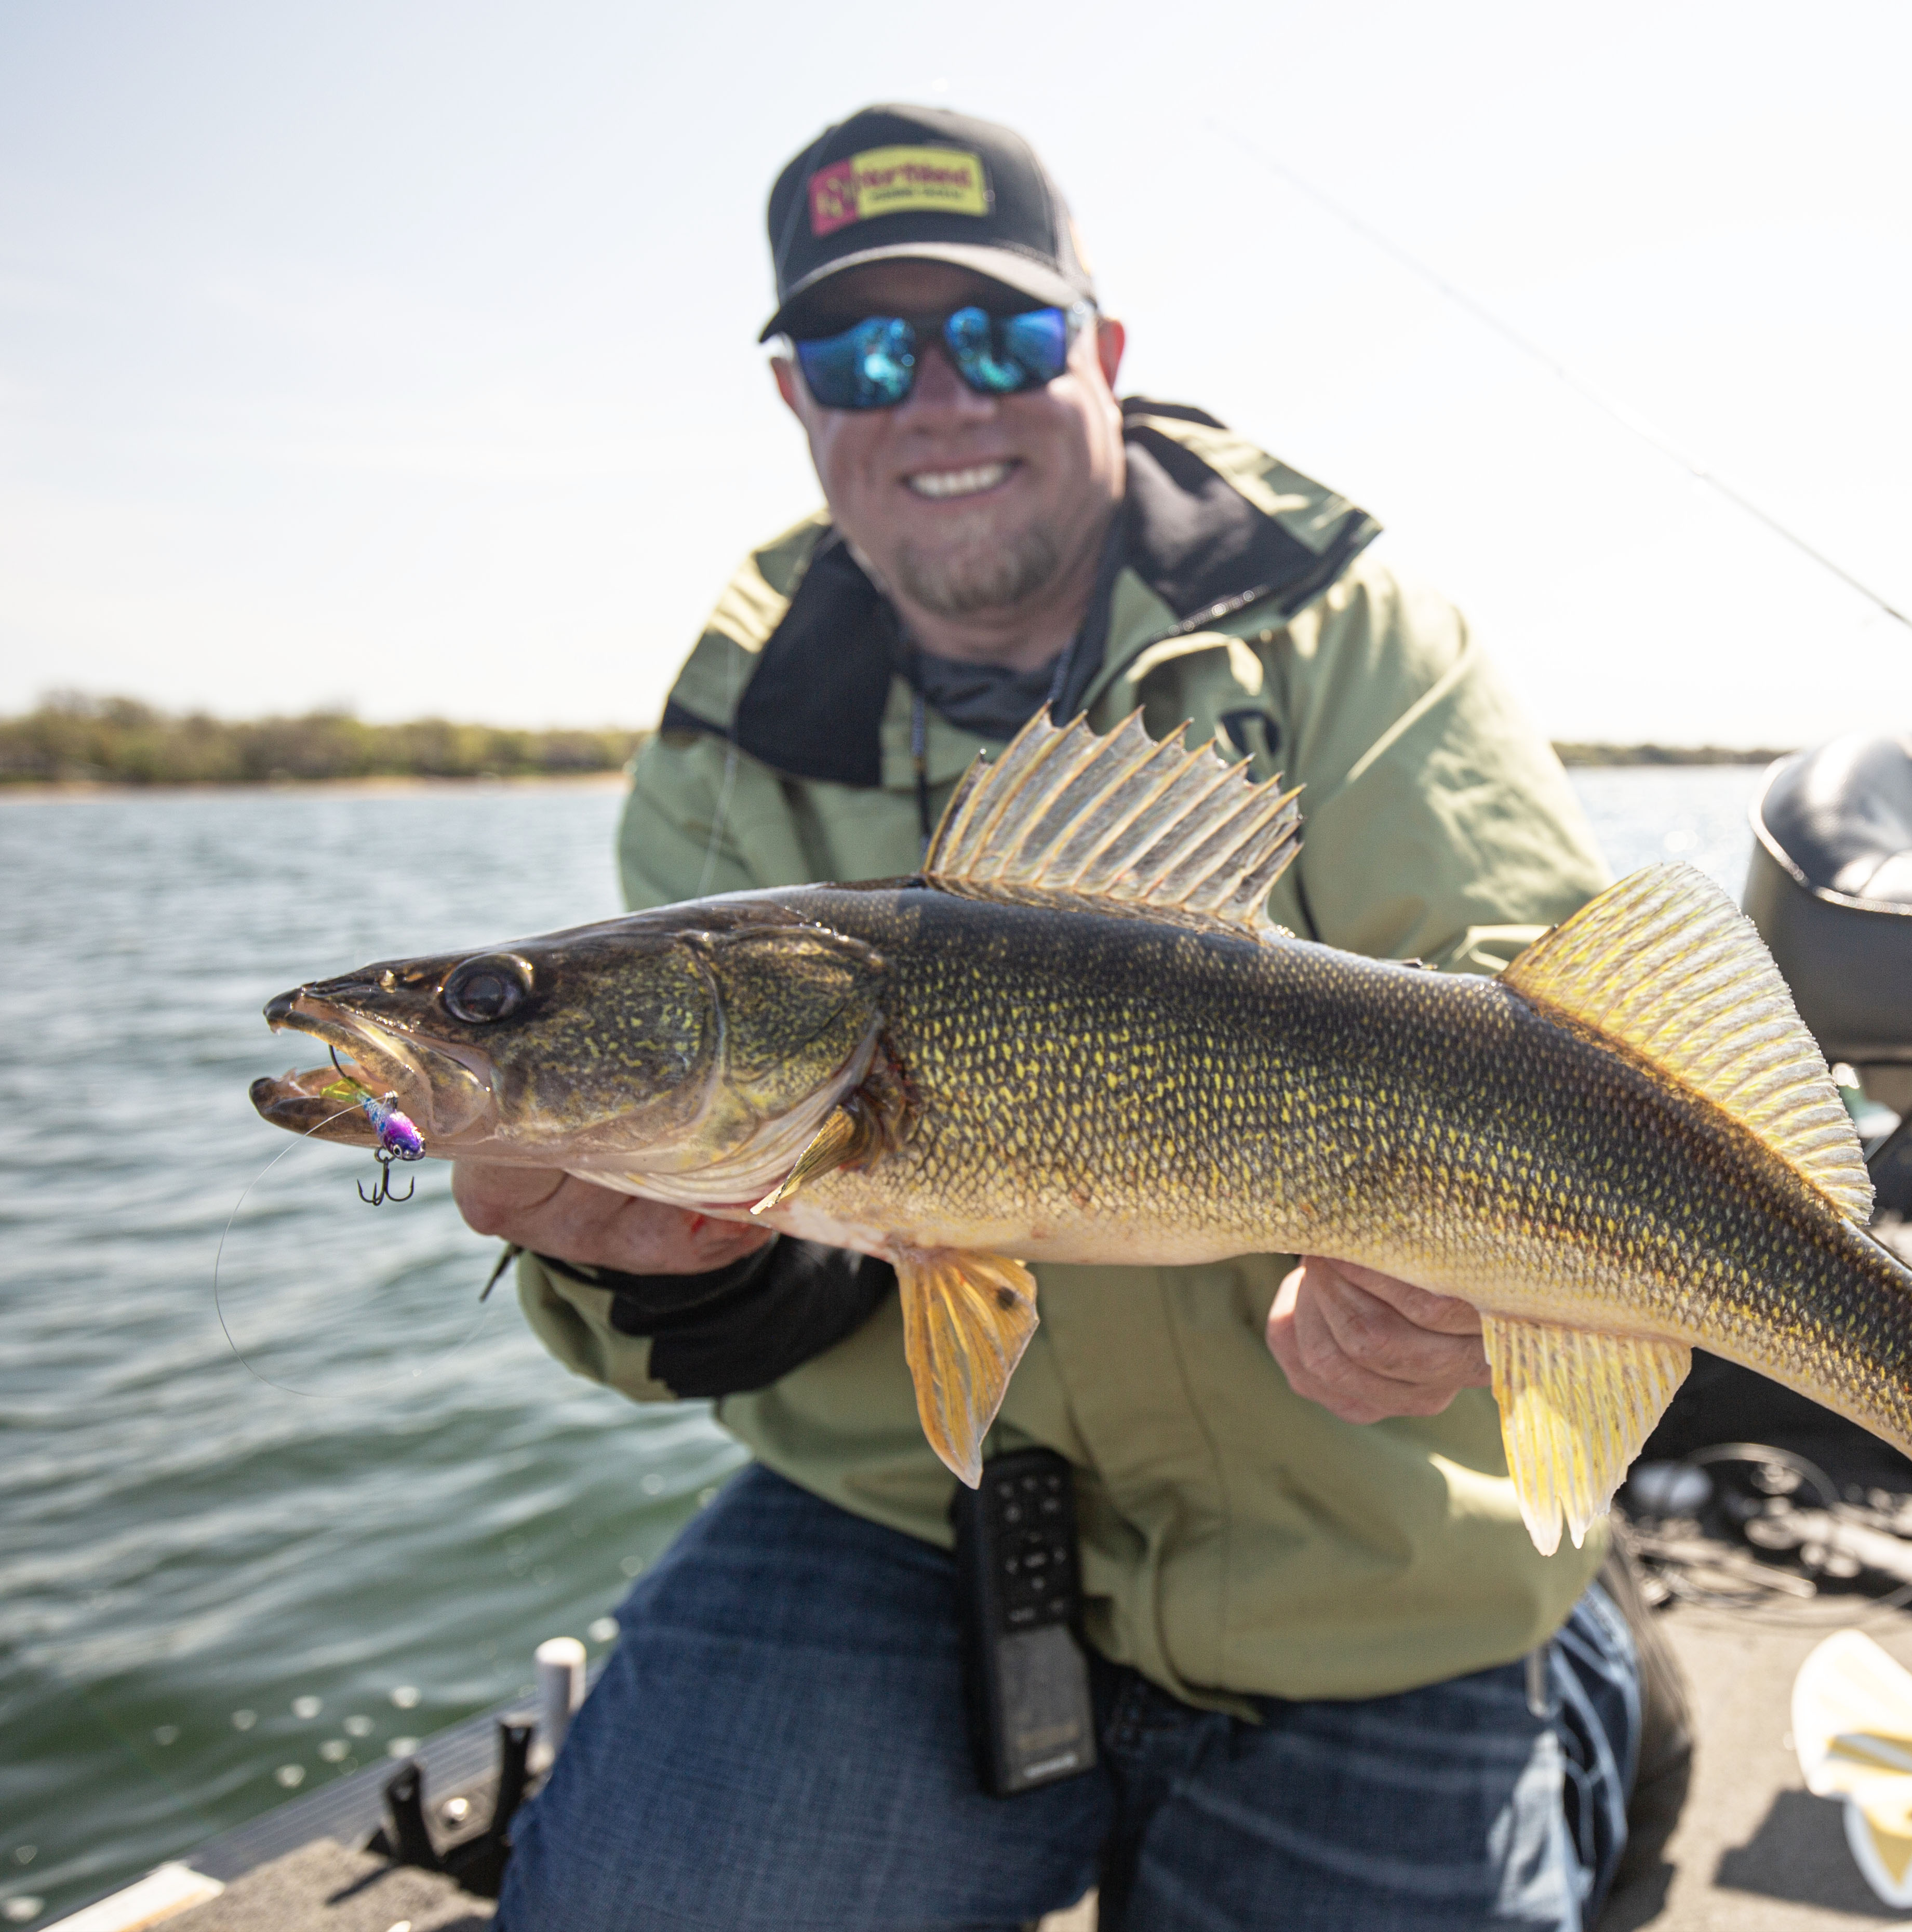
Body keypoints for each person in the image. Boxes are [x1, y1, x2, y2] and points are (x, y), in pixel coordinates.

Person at [466, 104, 1672, 1931]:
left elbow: (1559, 1017)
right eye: (866, 351)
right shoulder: (728, 736)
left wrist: (1458, 1298)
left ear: (1103, 358)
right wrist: (672, 1261)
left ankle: (1605, 1688)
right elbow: (765, 1274)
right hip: (895, 1528)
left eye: (1002, 338)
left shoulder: (1347, 623)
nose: (937, 397)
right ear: (801, 401)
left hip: (1372, 1545)